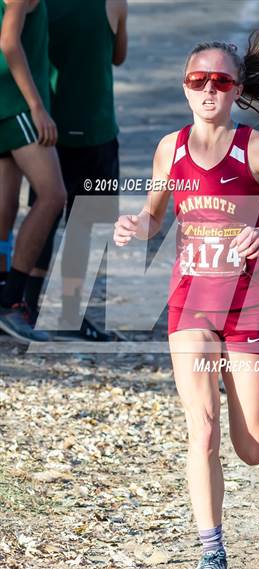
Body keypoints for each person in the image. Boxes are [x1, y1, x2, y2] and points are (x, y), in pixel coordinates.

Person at [114, 18, 259, 569]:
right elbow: (155, 215)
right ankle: (212, 549)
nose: (209, 89)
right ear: (185, 85)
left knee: (251, 450)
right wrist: (136, 225)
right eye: (199, 79)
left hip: (249, 302)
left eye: (222, 82)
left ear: (236, 90)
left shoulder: (255, 148)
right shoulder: (170, 151)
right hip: (191, 304)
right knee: (201, 428)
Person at [23, 0, 128, 340]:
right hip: (96, 129)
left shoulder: (38, 5)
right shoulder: (114, 3)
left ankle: (27, 304)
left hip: (50, 129)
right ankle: (70, 314)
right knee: (84, 227)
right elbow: (118, 56)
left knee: (44, 217)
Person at [0, 0, 66, 342]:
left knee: (5, 208)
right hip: (16, 105)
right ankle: (11, 300)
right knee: (53, 195)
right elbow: (8, 41)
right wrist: (37, 107)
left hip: (5, 103)